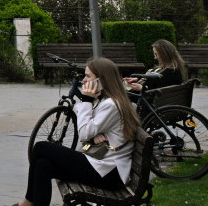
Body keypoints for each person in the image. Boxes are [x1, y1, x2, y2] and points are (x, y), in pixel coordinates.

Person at [11, 57, 138, 206]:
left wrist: (86, 101)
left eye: (88, 76)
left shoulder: (111, 105)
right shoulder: (110, 100)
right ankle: (28, 203)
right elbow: (88, 128)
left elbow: (83, 133)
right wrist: (94, 133)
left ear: (101, 80)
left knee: (41, 147)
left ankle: (26, 203)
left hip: (109, 172)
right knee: (42, 165)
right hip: (102, 163)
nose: (83, 80)